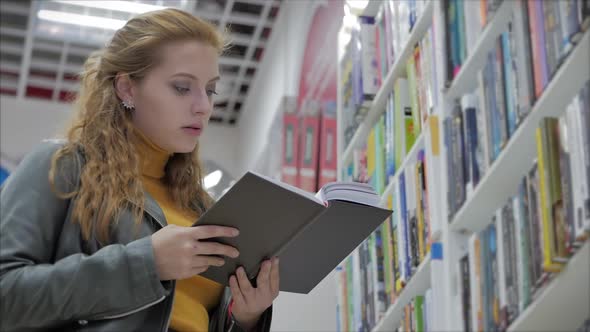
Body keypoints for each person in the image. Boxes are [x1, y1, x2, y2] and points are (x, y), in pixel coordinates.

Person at [0, 8, 278, 332]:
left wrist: (244, 318)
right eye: (182, 87)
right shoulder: (62, 165)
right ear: (127, 88)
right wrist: (146, 264)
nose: (204, 105)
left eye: (211, 89)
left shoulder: (203, 208)